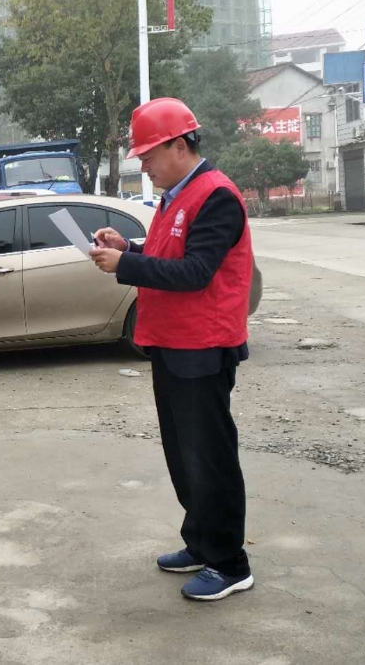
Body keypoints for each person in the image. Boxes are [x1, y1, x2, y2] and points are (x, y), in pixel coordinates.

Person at [89, 97, 255, 602]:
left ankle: (229, 563)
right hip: (170, 342)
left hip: (203, 346)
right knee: (184, 455)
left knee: (210, 457)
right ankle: (201, 543)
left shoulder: (217, 196)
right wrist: (129, 248)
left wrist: (125, 267)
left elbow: (196, 272)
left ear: (179, 146)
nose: (143, 166)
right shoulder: (174, 198)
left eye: (148, 156)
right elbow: (168, 254)